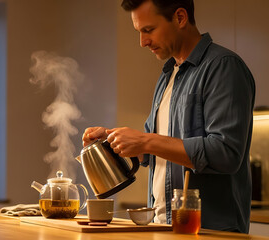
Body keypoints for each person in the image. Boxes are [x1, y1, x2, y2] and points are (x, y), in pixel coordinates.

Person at [82, 0, 255, 233]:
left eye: (148, 30)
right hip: (163, 228)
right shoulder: (167, 77)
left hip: (211, 232)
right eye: (139, 32)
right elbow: (154, 152)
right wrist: (113, 139)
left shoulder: (223, 67)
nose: (142, 42)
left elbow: (226, 153)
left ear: (180, 18)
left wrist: (146, 141)